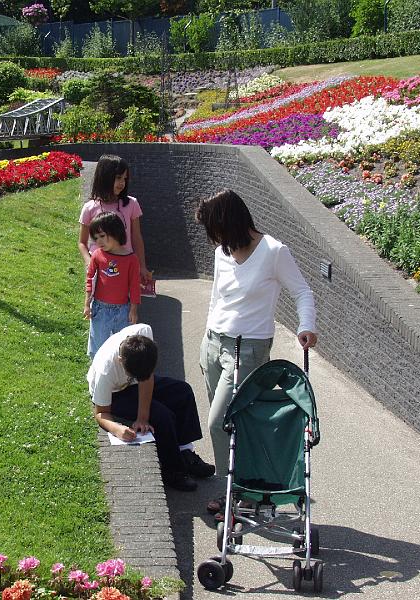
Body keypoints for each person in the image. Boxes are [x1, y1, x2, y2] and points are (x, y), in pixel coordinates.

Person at [195, 189, 318, 517]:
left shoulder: (274, 252)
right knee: (229, 425)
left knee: (221, 421)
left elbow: (303, 292)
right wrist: (206, 335)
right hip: (213, 344)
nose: (216, 240)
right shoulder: (223, 250)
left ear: (231, 223)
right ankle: (239, 488)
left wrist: (307, 326)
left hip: (247, 350)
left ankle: (237, 493)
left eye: (217, 231)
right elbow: (216, 296)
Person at [88, 323, 216, 491]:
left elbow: (146, 379)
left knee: (182, 391)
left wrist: (142, 417)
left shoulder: (143, 332)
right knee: (162, 416)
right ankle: (173, 471)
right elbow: (101, 413)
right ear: (121, 361)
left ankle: (185, 452)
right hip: (116, 393)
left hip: (137, 379)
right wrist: (117, 429)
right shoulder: (106, 371)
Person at [78, 154, 152, 284]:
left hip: (125, 270)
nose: (122, 183)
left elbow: (136, 238)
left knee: (126, 304)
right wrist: (89, 263)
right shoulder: (89, 208)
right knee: (97, 304)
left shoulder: (132, 204)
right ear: (105, 177)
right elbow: (82, 243)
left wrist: (142, 266)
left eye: (125, 178)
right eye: (118, 178)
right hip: (99, 272)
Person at [84, 212, 141, 358]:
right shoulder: (97, 255)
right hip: (100, 309)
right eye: (96, 238)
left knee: (123, 349)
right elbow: (90, 278)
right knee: (97, 348)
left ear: (115, 232)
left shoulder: (131, 259)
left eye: (102, 236)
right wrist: (87, 303)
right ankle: (96, 376)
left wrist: (133, 309)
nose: (99, 241)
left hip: (123, 311)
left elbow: (135, 286)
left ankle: (121, 378)